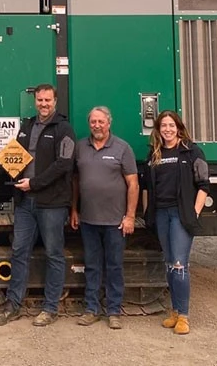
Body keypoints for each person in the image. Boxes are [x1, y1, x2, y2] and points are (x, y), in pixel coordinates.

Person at [0, 83, 76, 327]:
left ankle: (49, 308)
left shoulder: (64, 129)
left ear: (55, 102)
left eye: (48, 100)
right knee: (19, 252)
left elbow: (64, 164)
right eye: (40, 100)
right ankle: (13, 305)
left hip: (52, 204)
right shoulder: (26, 127)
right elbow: (11, 158)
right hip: (25, 204)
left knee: (54, 254)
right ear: (35, 101)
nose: (44, 104)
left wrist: (34, 183)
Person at [70, 106, 138, 330]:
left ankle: (114, 311)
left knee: (114, 266)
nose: (97, 126)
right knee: (92, 266)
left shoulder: (122, 148)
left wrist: (130, 216)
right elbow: (75, 182)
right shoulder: (80, 147)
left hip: (115, 222)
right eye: (93, 122)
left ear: (109, 123)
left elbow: (133, 184)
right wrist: (74, 209)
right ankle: (91, 309)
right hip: (88, 220)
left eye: (101, 122)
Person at [144, 110, 210, 335]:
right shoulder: (154, 153)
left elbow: (203, 185)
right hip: (161, 213)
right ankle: (174, 312)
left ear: (178, 127)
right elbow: (149, 187)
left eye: (171, 125)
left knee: (180, 264)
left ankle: (184, 317)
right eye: (163, 126)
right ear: (158, 129)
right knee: (169, 263)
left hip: (181, 215)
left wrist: (194, 212)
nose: (167, 129)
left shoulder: (192, 151)